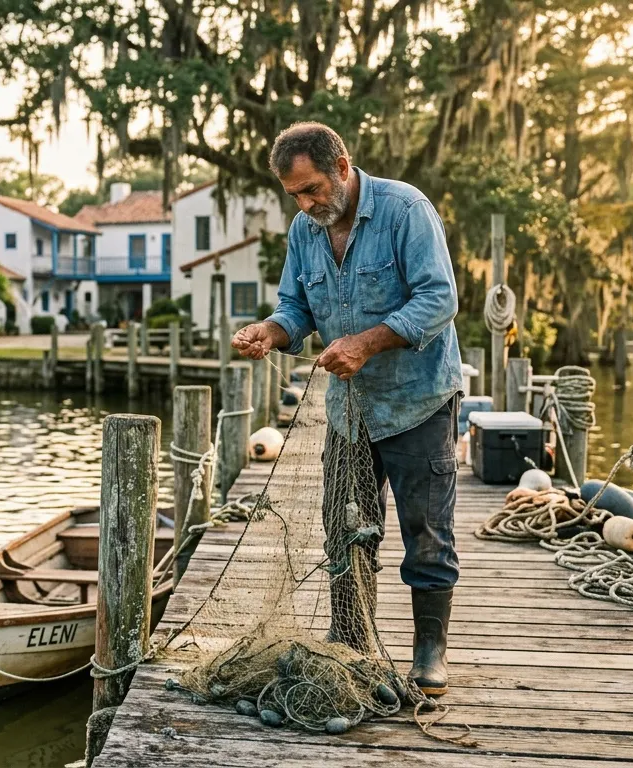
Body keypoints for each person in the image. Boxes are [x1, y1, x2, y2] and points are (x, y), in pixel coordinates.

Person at [231, 122, 462, 696]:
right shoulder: (304, 230)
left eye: (311, 190)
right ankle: (351, 640)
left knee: (427, 534)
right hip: (349, 410)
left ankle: (429, 652)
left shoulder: (406, 210)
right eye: (295, 196)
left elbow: (439, 298)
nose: (306, 206)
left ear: (341, 166)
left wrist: (365, 343)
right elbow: (295, 308)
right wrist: (269, 331)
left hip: (417, 402)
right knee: (345, 527)